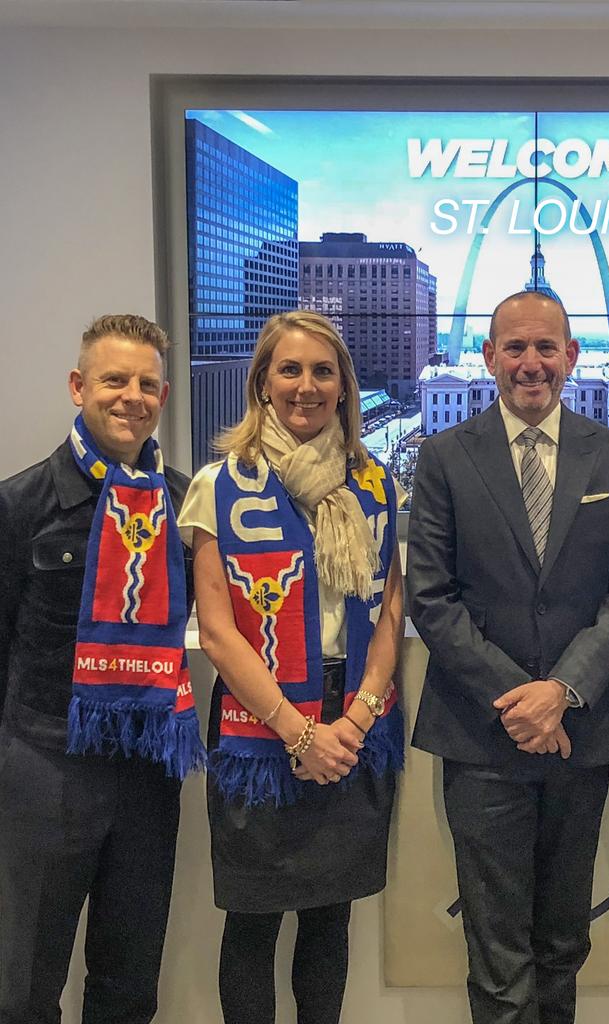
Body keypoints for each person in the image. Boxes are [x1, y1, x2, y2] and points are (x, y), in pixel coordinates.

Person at [407, 290, 609, 1024]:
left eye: (547, 347)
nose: (531, 363)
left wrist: (563, 691)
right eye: (514, 347)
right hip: (484, 738)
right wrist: (524, 699)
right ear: (489, 357)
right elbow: (431, 597)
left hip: (579, 735)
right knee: (498, 950)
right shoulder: (444, 457)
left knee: (562, 942)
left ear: (572, 357)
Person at [179, 310, 404, 1024]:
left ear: (343, 387)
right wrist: (298, 733)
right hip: (261, 721)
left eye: (322, 371)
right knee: (253, 919)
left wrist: (357, 715)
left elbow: (391, 611)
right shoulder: (218, 484)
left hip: (352, 720)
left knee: (329, 918)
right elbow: (217, 632)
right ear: (262, 383)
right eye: (290, 369)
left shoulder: (377, 485)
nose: (306, 386)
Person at [0, 313, 203, 1024]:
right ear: (78, 386)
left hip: (147, 775)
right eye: (114, 380)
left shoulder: (183, 505)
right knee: (23, 986)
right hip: (45, 764)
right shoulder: (18, 504)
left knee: (127, 985)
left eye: (148, 383)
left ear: (164, 394)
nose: (131, 396)